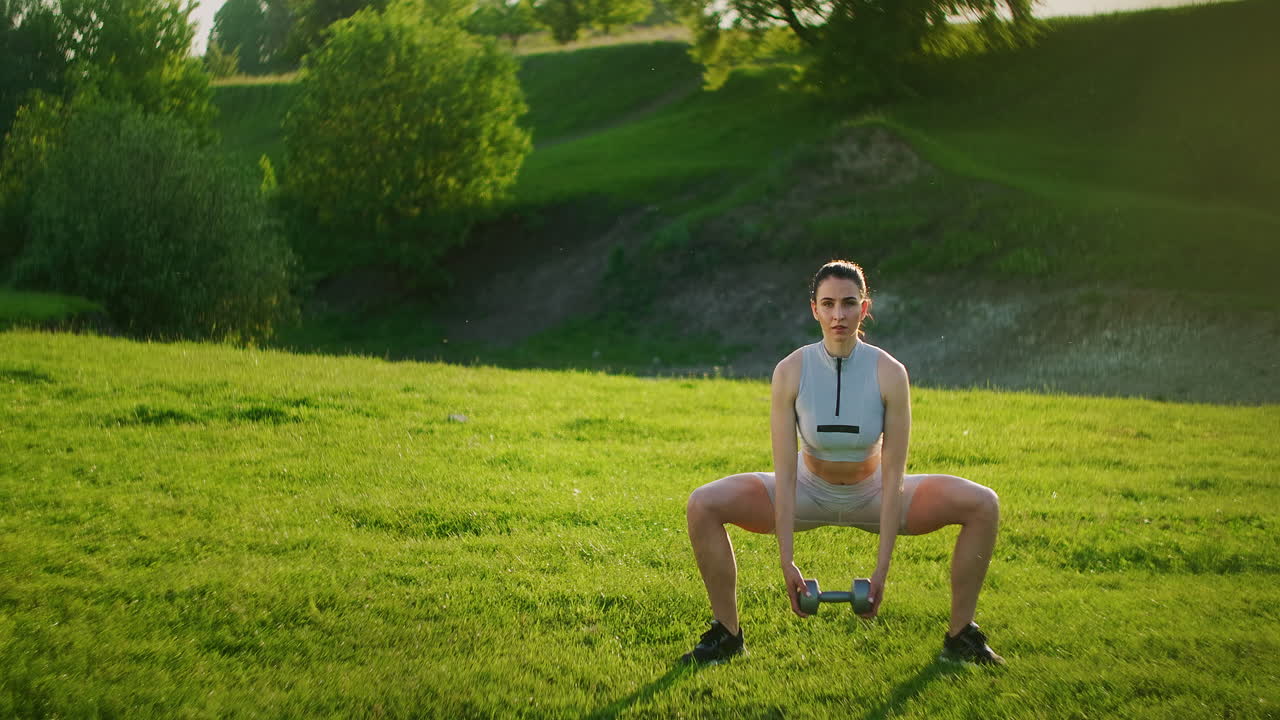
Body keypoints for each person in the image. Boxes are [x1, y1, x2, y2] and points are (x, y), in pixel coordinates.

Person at [681, 260, 1004, 665]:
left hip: (875, 492)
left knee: (983, 503)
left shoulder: (890, 372)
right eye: (828, 304)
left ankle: (961, 637)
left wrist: (881, 570)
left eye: (849, 303)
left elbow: (894, 473)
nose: (839, 315)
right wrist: (787, 562)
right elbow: (785, 471)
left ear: (864, 308)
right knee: (703, 503)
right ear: (814, 309)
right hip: (806, 489)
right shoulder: (790, 370)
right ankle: (727, 635)